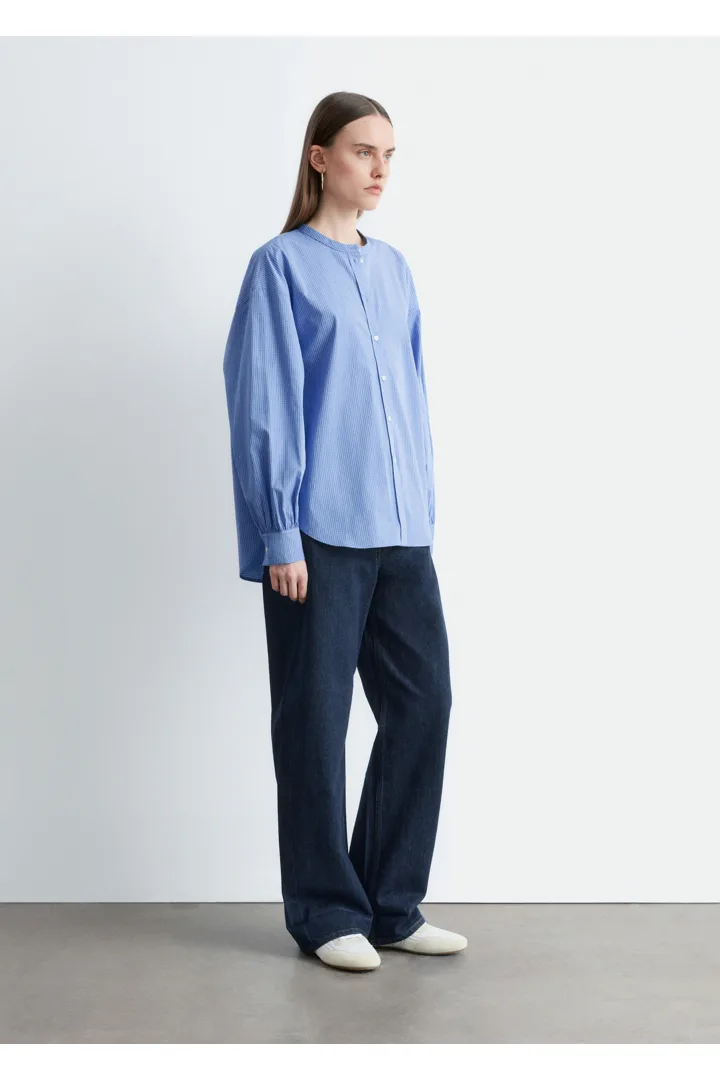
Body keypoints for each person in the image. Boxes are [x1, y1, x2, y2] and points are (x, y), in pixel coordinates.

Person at [222, 91, 466, 973]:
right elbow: (264, 401)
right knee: (315, 725)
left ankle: (391, 904)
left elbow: (414, 392)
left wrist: (422, 504)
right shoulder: (279, 266)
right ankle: (326, 912)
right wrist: (278, 530)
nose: (380, 170)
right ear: (319, 157)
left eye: (390, 155)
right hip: (319, 532)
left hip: (400, 530)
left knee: (424, 705)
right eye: (364, 151)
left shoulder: (394, 268)